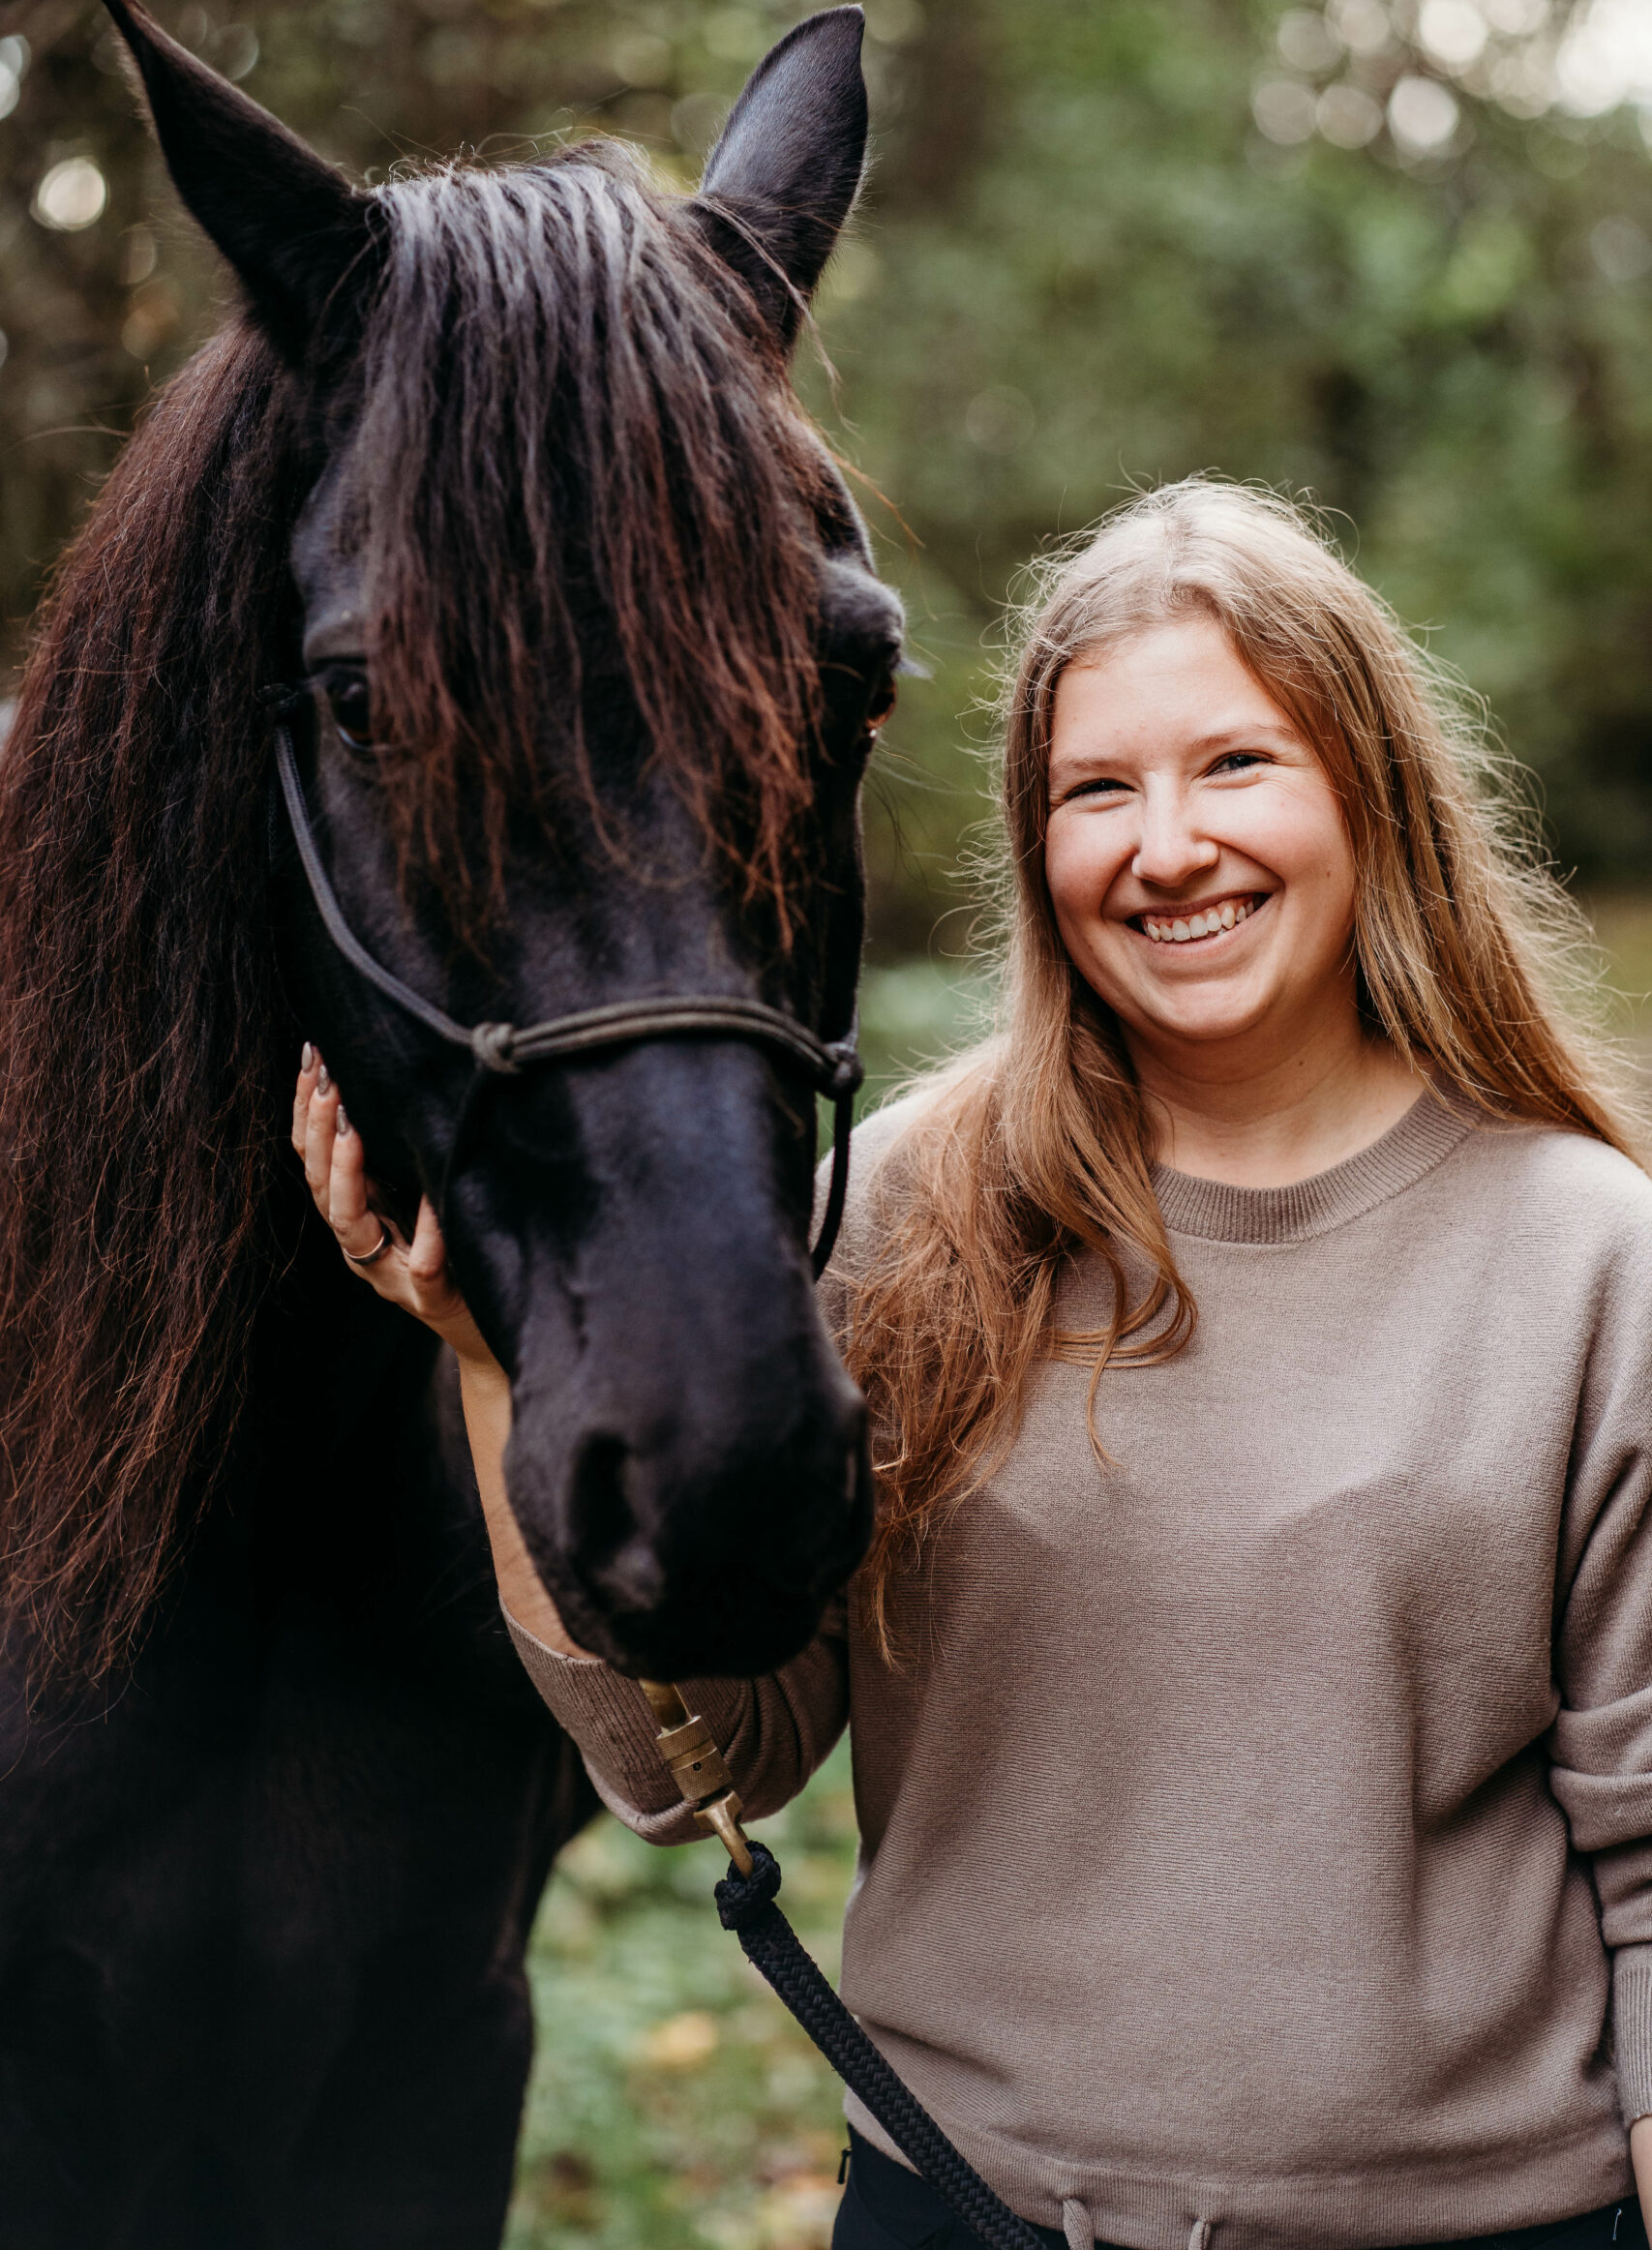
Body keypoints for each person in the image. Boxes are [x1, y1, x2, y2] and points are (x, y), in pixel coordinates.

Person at [296, 479, 1652, 2250]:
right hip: (965, 2214)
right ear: (1038, 847)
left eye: (1237, 764)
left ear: (1372, 795)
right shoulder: (907, 1214)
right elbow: (699, 1758)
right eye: (1099, 790)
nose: (1167, 846)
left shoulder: (1586, 1254)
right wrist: (491, 1364)